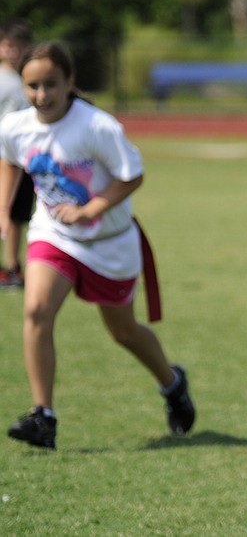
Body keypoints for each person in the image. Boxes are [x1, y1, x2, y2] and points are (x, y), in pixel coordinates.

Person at [0, 42, 195, 449]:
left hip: (109, 243)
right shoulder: (15, 126)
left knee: (123, 331)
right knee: (36, 310)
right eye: (32, 86)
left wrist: (92, 208)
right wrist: (4, 210)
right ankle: (43, 416)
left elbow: (133, 175)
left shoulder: (96, 126)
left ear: (70, 81)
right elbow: (11, 159)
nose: (41, 95)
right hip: (53, 236)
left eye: (50, 84)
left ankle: (172, 383)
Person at [0, 18, 34, 287]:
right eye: (7, 46)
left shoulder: (31, 79)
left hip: (22, 158)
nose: (12, 52)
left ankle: (13, 267)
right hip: (2, 158)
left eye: (17, 47)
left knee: (17, 215)